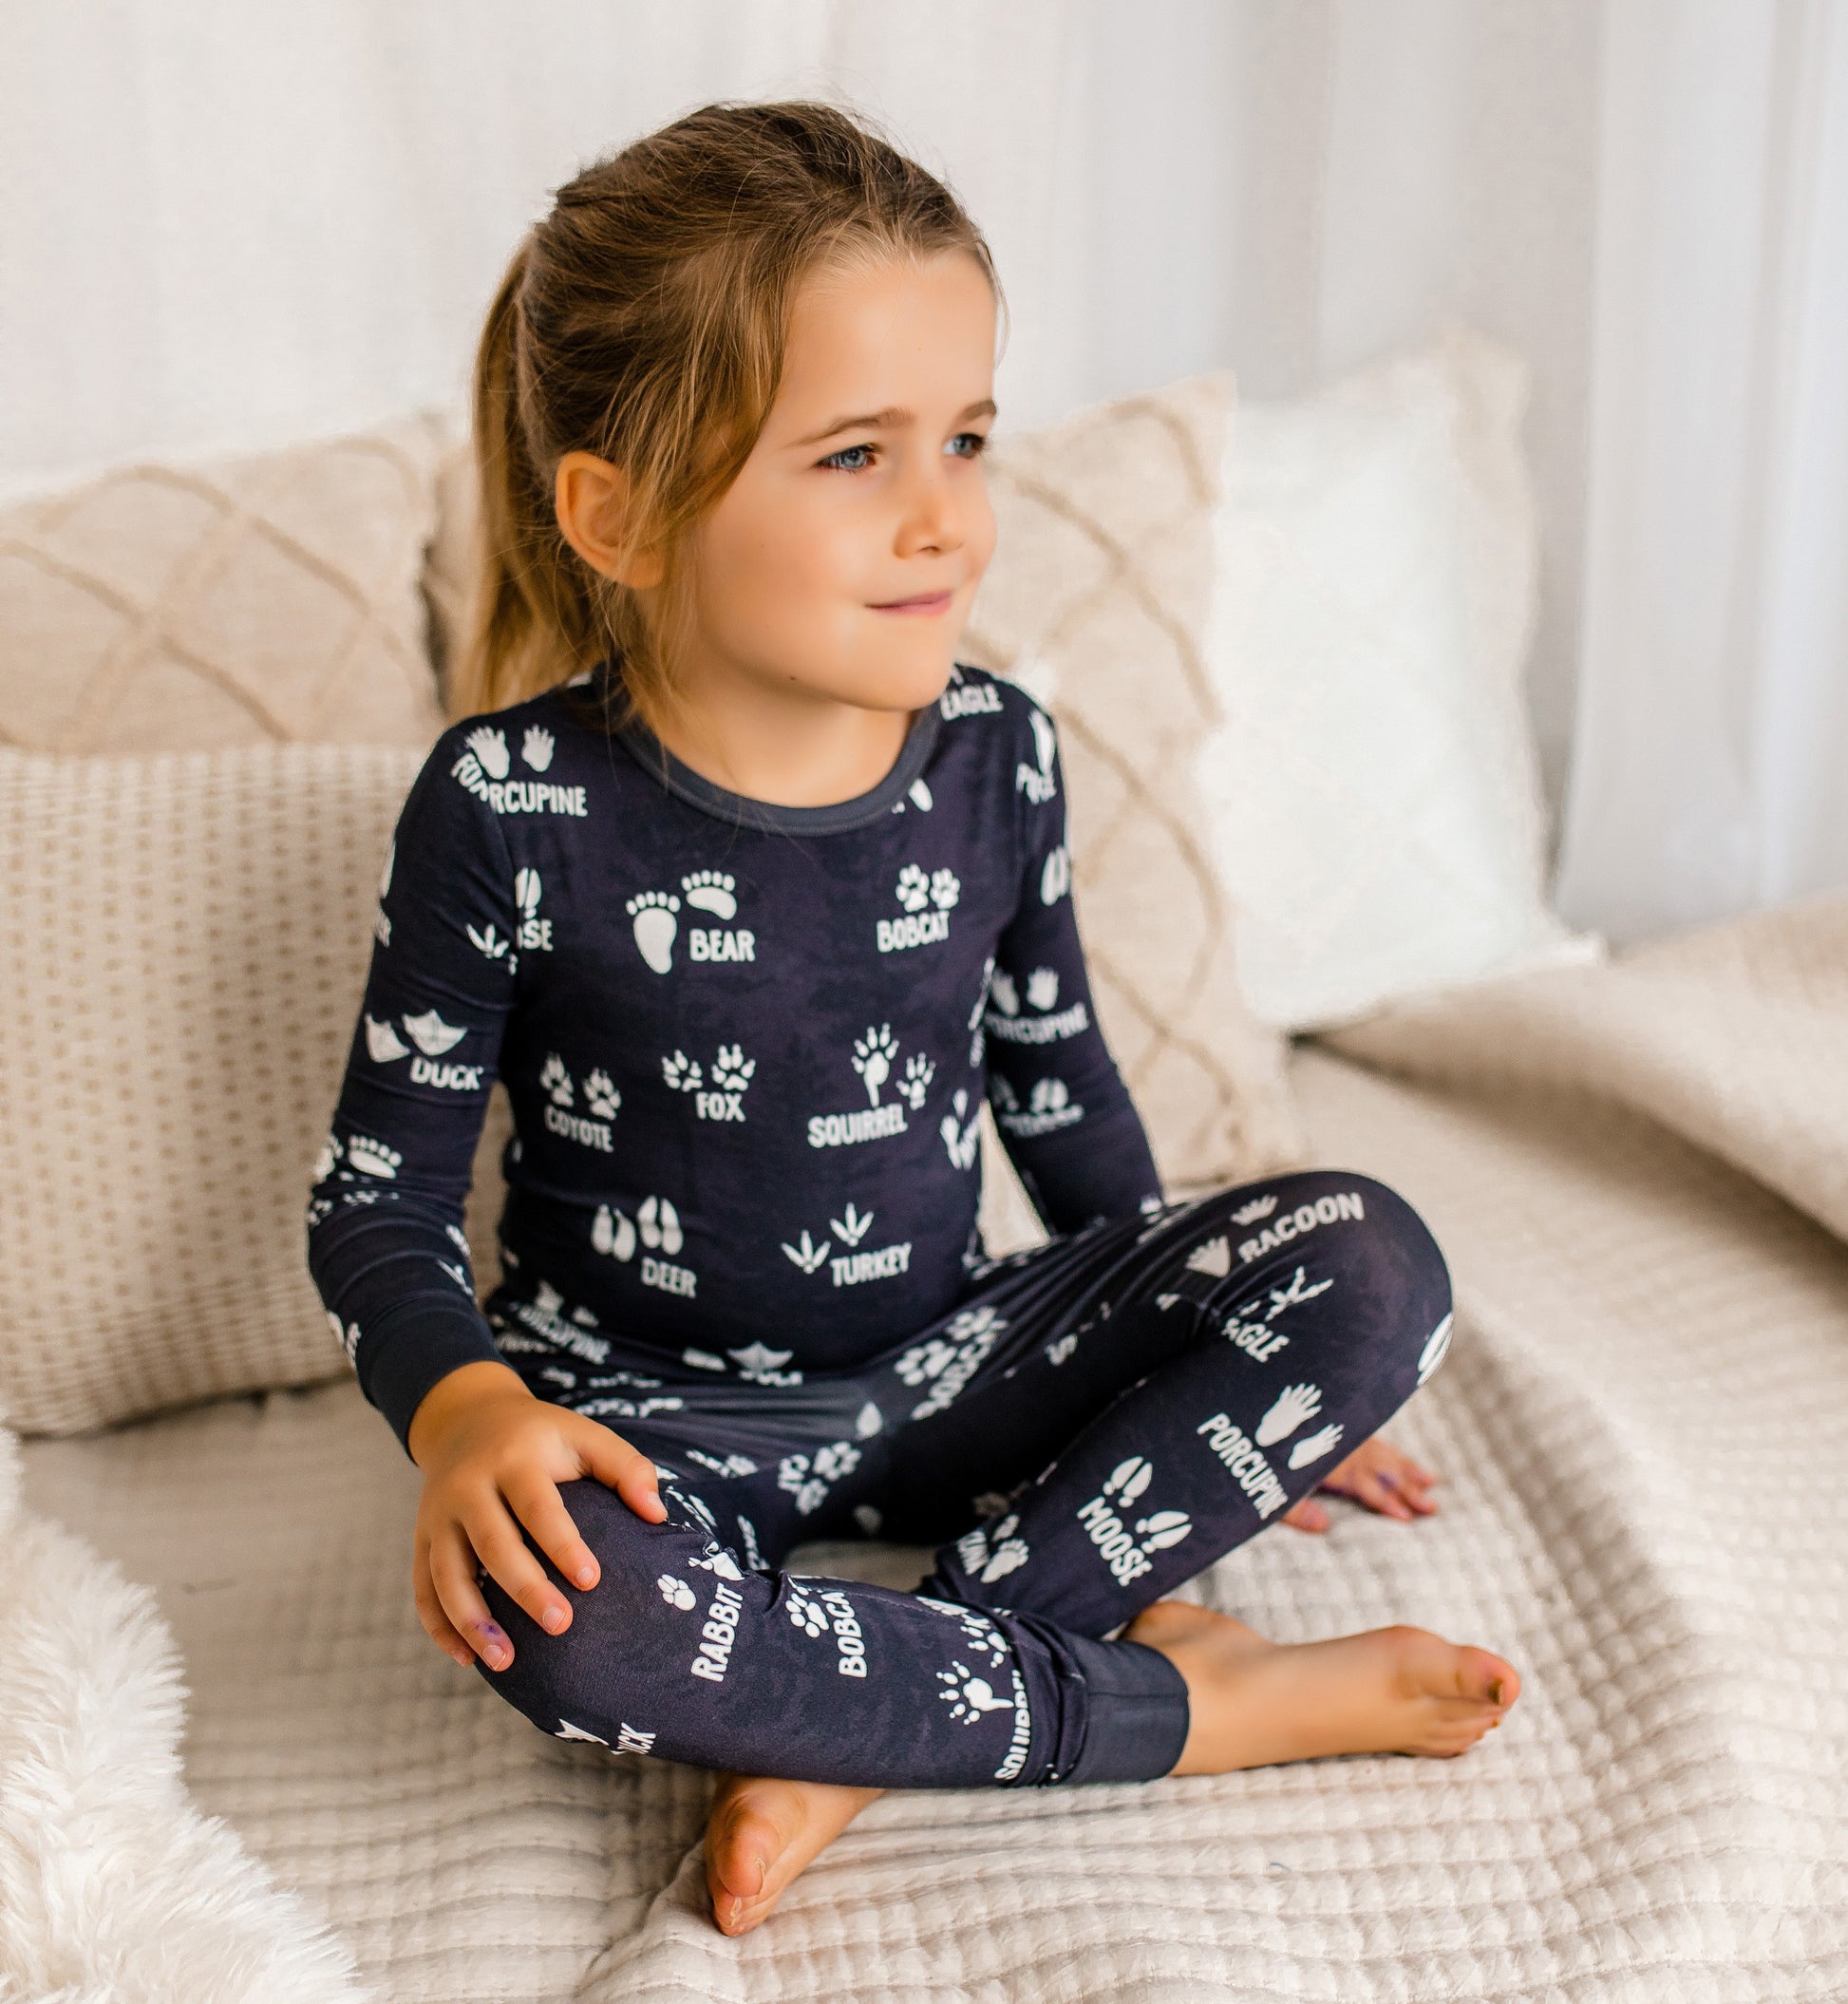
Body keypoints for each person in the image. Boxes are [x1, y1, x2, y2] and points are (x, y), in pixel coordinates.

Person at [307, 98, 1519, 1940]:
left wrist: (1201, 1367)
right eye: (856, 454)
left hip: (954, 1361)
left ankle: (870, 1720)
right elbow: (377, 1201)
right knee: (566, 1622)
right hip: (647, 1414)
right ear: (619, 514)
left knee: (1374, 1264)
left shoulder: (996, 750)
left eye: (965, 437)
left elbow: (1062, 1086)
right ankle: (1184, 1703)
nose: (946, 514)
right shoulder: (506, 802)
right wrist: (464, 1409)